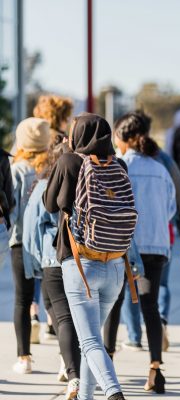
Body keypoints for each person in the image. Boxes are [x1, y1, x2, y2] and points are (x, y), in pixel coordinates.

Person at [44, 113, 132, 400]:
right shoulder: (118, 165)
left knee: (90, 340)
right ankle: (84, 398)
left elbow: (50, 204)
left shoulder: (69, 161)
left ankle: (115, 394)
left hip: (80, 263)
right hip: (116, 263)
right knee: (91, 338)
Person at [113, 111, 176, 394]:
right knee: (150, 306)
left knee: (113, 302)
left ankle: (107, 363)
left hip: (126, 244)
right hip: (157, 244)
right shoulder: (160, 168)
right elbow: (171, 208)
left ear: (124, 139)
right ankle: (155, 370)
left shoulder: (121, 165)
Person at [22, 133, 81, 399]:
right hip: (83, 258)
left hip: (52, 260)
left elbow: (30, 232)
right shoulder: (85, 184)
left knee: (60, 314)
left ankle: (72, 372)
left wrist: (38, 261)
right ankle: (82, 366)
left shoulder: (44, 187)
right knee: (81, 317)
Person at [10, 117, 50, 374]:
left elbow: (11, 209)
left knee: (23, 300)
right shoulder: (51, 167)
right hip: (47, 242)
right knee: (55, 300)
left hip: (20, 243)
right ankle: (65, 362)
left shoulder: (17, 169)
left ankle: (24, 358)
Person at [33, 94, 73, 341]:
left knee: (36, 270)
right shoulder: (64, 143)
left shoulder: (35, 137)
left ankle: (33, 312)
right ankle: (51, 320)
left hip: (36, 202)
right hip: (59, 214)